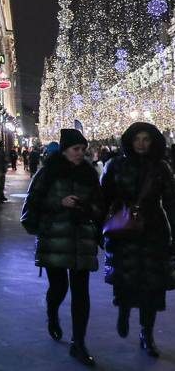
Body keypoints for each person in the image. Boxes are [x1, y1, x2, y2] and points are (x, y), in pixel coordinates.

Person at [20, 129, 103, 366]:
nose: (80, 153)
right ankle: (52, 313)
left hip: (82, 240)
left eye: (83, 149)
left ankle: (79, 343)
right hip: (54, 240)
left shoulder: (89, 174)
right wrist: (60, 203)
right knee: (59, 287)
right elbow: (32, 206)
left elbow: (100, 205)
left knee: (81, 293)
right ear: (65, 150)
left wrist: (88, 208)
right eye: (76, 149)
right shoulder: (48, 173)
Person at [101, 122, 175, 358]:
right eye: (137, 139)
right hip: (124, 230)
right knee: (125, 279)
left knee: (152, 286)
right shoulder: (115, 165)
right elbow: (103, 198)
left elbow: (171, 202)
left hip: (153, 230)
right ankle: (123, 310)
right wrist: (101, 229)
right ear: (130, 141)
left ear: (153, 142)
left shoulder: (161, 167)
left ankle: (147, 333)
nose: (141, 144)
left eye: (146, 139)